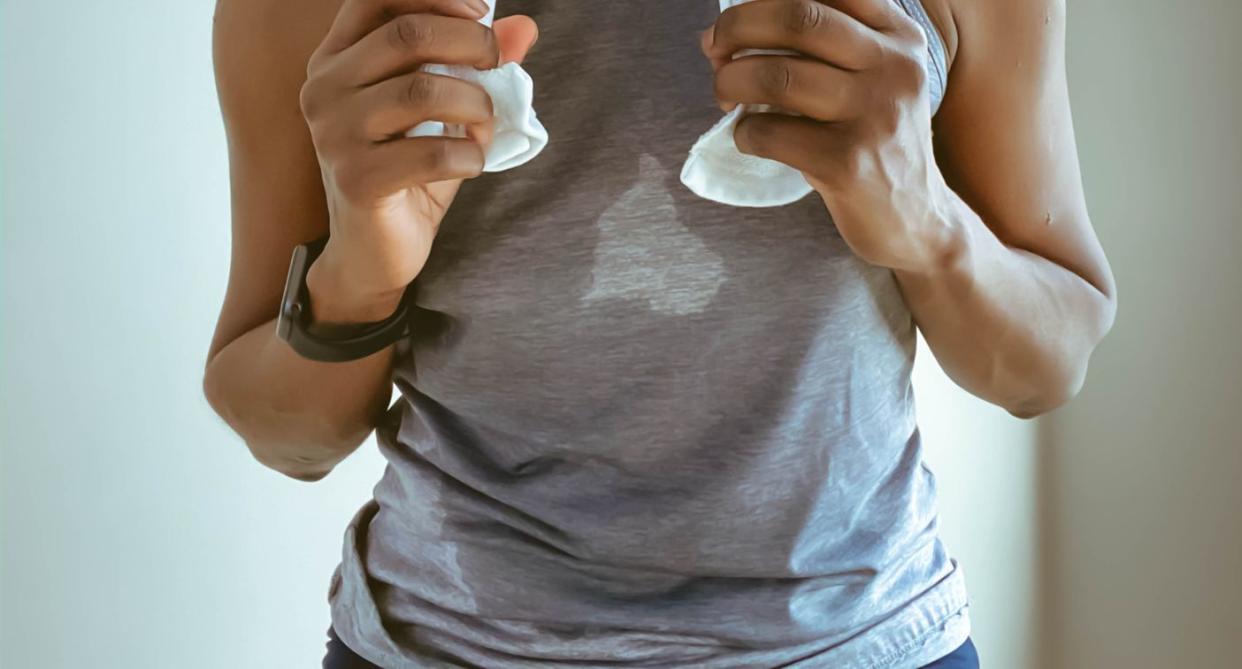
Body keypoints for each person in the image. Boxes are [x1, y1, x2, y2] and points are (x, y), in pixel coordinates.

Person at [204, 0, 1114, 667]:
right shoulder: (320, 14)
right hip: (439, 645)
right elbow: (290, 438)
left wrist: (927, 221)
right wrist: (360, 272)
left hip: (863, 640)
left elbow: (1041, 369)